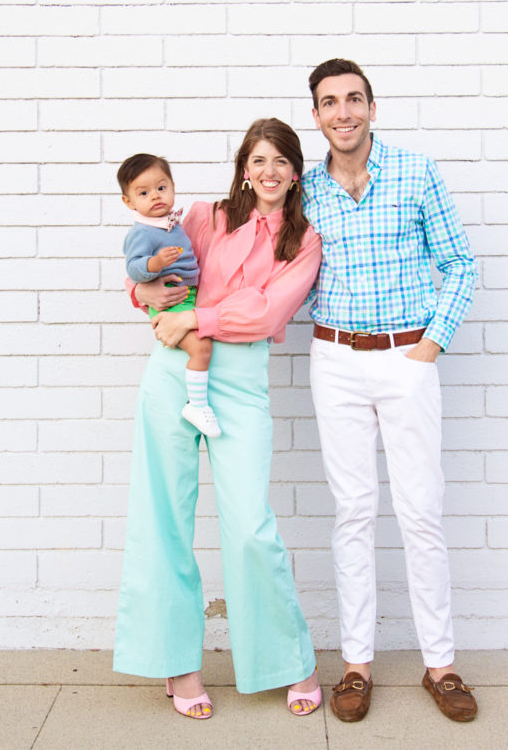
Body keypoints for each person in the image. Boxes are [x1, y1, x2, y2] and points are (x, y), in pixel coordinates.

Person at [113, 118, 323, 721]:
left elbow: (265, 311)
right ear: (243, 167)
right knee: (164, 519)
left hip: (238, 382)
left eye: (280, 161)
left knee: (251, 525)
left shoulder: (303, 240)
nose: (269, 172)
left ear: (295, 171)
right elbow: (157, 273)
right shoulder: (205, 216)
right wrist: (147, 298)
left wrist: (194, 321)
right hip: (171, 371)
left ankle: (290, 660)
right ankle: (177, 666)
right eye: (258, 161)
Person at [302, 59, 478, 724]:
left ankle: (442, 665)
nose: (342, 112)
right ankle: (356, 667)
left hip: (407, 354)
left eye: (353, 99)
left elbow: (460, 264)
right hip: (336, 358)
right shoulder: (306, 190)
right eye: (329, 102)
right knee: (352, 512)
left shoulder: (415, 171)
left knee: (420, 509)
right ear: (316, 115)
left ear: (371, 107)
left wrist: (430, 345)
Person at [117, 153, 220, 437]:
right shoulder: (143, 232)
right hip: (171, 300)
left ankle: (193, 399)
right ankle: (197, 406)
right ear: (129, 202)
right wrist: (155, 264)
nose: (155, 197)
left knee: (202, 345)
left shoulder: (171, 225)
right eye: (144, 192)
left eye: (162, 188)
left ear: (172, 187)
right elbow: (134, 268)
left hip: (187, 297)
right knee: (201, 348)